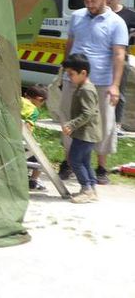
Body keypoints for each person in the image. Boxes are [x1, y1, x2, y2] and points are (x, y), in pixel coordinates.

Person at [57, 0, 127, 184]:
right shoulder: (77, 16)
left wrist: (115, 85)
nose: (90, 4)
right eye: (86, 1)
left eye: (94, 1)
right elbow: (69, 44)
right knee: (69, 119)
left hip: (102, 82)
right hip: (73, 80)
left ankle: (101, 167)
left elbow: (119, 54)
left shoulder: (116, 22)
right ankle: (69, 162)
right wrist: (64, 71)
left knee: (103, 124)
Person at [60, 54, 103, 203]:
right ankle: (91, 189)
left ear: (83, 73)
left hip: (86, 134)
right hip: (86, 133)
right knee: (84, 161)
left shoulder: (86, 90)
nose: (69, 77)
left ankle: (86, 189)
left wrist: (71, 124)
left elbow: (88, 113)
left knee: (74, 160)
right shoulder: (83, 87)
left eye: (71, 74)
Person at [104, 0, 135, 126]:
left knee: (118, 92)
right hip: (103, 57)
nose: (108, 0)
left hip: (121, 58)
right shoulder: (101, 13)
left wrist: (129, 38)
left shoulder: (128, 15)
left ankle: (116, 125)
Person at [21, 84, 48, 190]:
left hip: (4, 138)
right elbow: (26, 130)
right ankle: (33, 180)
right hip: (20, 143)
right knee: (39, 157)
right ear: (39, 99)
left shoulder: (15, 100)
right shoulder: (33, 110)